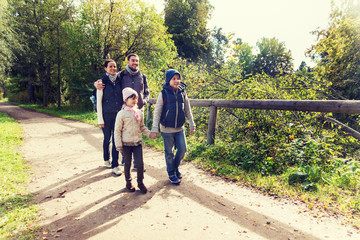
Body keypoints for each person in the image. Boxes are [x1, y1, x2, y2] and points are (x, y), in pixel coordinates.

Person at [95, 53, 150, 170]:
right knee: (113, 137)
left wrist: (144, 101)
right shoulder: (114, 78)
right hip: (114, 113)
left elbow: (146, 92)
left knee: (127, 136)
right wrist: (96, 84)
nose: (135, 63)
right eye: (133, 60)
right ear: (128, 62)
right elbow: (98, 95)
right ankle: (114, 159)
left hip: (130, 111)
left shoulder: (136, 77)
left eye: (137, 61)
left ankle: (127, 163)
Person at [150, 69, 196, 185]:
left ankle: (174, 168)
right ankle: (171, 173)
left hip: (180, 128)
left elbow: (187, 110)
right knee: (169, 152)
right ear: (168, 80)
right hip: (166, 128)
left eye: (178, 78)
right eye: (174, 79)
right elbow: (157, 111)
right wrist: (155, 128)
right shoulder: (163, 93)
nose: (176, 81)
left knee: (182, 149)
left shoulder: (183, 93)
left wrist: (192, 124)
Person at [114, 87, 151, 193]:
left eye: (136, 98)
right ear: (126, 100)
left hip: (137, 143)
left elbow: (142, 127)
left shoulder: (139, 112)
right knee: (127, 163)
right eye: (132, 98)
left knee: (140, 163)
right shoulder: (121, 114)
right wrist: (118, 145)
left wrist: (149, 134)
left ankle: (140, 182)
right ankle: (128, 182)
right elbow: (117, 131)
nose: (135, 101)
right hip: (126, 144)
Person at [96, 59, 122, 176]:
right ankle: (106, 158)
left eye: (115, 67)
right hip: (106, 115)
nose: (113, 69)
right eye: (110, 67)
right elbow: (98, 102)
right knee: (107, 138)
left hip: (118, 115)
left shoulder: (120, 80)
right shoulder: (102, 83)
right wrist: (100, 119)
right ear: (105, 68)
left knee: (117, 139)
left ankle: (115, 165)